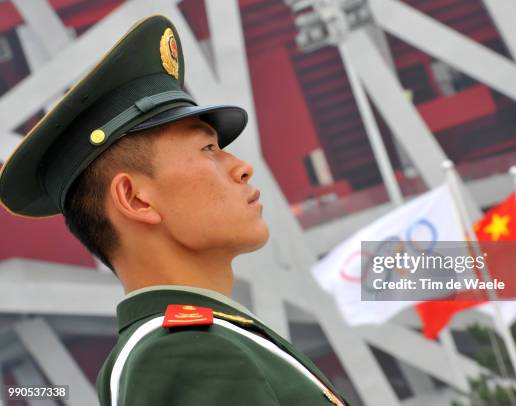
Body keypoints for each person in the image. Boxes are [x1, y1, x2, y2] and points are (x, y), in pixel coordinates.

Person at [0, 15, 348, 406]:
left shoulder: (199, 343)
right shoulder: (185, 355)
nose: (242, 167)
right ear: (135, 199)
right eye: (208, 150)